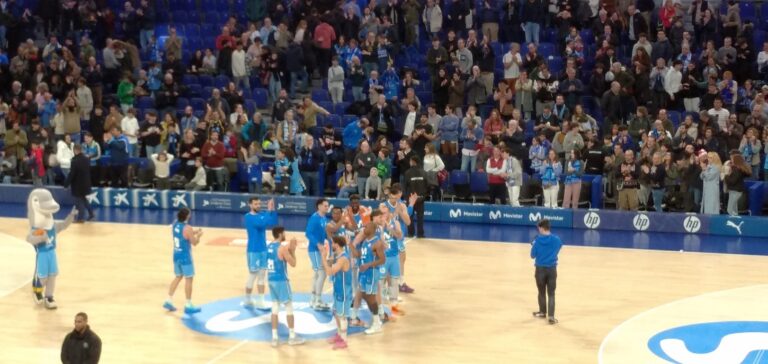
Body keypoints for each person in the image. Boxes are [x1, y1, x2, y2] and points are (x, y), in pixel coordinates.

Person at [266, 226, 306, 347]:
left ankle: (274, 338)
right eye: (284, 233)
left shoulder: (268, 247)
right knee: (289, 307)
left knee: (275, 307)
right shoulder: (282, 248)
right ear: (279, 234)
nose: (285, 235)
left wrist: (289, 246)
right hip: (281, 280)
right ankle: (292, 337)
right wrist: (292, 251)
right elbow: (293, 263)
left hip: (271, 279)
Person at [163, 208, 203, 314]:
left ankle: (168, 300)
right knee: (189, 279)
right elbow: (194, 242)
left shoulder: (175, 224)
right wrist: (198, 236)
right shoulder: (188, 228)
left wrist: (195, 231)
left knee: (178, 277)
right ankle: (188, 304)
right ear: (187, 216)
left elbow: (184, 234)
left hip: (176, 255)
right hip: (185, 257)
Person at [351, 214, 386, 334]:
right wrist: (349, 245)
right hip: (364, 273)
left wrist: (367, 265)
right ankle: (376, 319)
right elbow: (358, 254)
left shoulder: (377, 243)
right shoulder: (365, 241)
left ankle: (377, 323)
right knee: (364, 295)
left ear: (372, 229)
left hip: (371, 273)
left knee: (371, 298)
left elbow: (382, 260)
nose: (364, 229)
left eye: (366, 227)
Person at [242, 197, 277, 309]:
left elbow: (272, 222)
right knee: (253, 275)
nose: (258, 206)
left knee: (262, 275)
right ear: (250, 205)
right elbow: (261, 224)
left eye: (259, 203)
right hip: (253, 251)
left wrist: (272, 209)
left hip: (263, 249)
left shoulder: (262, 214)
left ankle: (261, 301)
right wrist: (268, 211)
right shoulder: (248, 217)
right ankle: (247, 299)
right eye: (256, 204)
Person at [321, 236, 353, 350]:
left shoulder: (343, 259)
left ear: (337, 245)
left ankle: (344, 340)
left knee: (342, 316)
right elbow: (328, 264)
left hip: (344, 290)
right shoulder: (337, 256)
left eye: (332, 243)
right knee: (336, 313)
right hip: (338, 289)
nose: (332, 245)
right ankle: (339, 335)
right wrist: (326, 257)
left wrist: (324, 258)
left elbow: (329, 272)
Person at [530, 219, 562, 325]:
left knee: (541, 292)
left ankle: (543, 312)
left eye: (539, 228)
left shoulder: (537, 240)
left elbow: (532, 255)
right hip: (552, 270)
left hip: (540, 270)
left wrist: (534, 245)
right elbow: (559, 248)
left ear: (542, 228)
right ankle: (551, 317)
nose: (538, 230)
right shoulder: (557, 240)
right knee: (551, 293)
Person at [306, 198, 331, 310]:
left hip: (319, 250)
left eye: (327, 205)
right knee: (322, 274)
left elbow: (324, 233)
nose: (327, 207)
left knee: (317, 275)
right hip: (314, 250)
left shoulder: (324, 218)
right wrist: (318, 245)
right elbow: (308, 233)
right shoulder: (314, 218)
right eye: (325, 206)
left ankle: (313, 299)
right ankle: (318, 300)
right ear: (319, 206)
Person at [64, 144, 94, 223]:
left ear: (75, 150)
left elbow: (72, 174)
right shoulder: (86, 159)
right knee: (83, 199)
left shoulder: (74, 161)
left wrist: (66, 184)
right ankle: (91, 214)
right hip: (86, 183)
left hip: (78, 185)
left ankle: (80, 218)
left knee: (79, 201)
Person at [403, 156, 427, 238]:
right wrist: (423, 196)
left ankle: (410, 233)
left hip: (411, 199)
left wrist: (407, 198)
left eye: (410, 161)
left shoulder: (407, 172)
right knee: (420, 217)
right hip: (421, 198)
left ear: (413, 162)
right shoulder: (424, 172)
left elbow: (405, 186)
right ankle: (420, 234)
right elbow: (427, 186)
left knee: (410, 216)